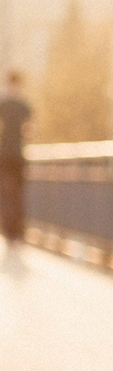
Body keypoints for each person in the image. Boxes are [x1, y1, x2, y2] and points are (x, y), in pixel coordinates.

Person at [0, 69, 31, 250]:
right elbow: (30, 130)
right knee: (18, 195)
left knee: (5, 194)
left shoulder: (2, 104)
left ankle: (9, 233)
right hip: (18, 155)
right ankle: (17, 235)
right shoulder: (24, 105)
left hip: (4, 155)